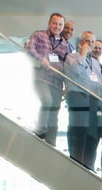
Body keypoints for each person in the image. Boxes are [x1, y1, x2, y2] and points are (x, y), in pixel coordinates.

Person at [25, 13, 70, 146]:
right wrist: (41, 58)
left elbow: (66, 65)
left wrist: (67, 85)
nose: (57, 26)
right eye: (55, 23)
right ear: (49, 24)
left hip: (57, 82)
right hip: (41, 77)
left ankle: (51, 144)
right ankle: (40, 131)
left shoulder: (65, 44)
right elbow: (29, 48)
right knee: (46, 100)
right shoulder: (39, 35)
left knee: (54, 115)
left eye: (60, 24)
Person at [63, 30, 102, 170]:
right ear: (81, 42)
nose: (91, 44)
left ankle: (89, 167)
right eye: (88, 41)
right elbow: (76, 71)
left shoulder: (95, 63)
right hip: (78, 98)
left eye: (93, 42)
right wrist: (83, 54)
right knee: (79, 132)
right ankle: (76, 165)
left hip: (93, 102)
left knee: (92, 136)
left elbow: (99, 83)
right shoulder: (71, 57)